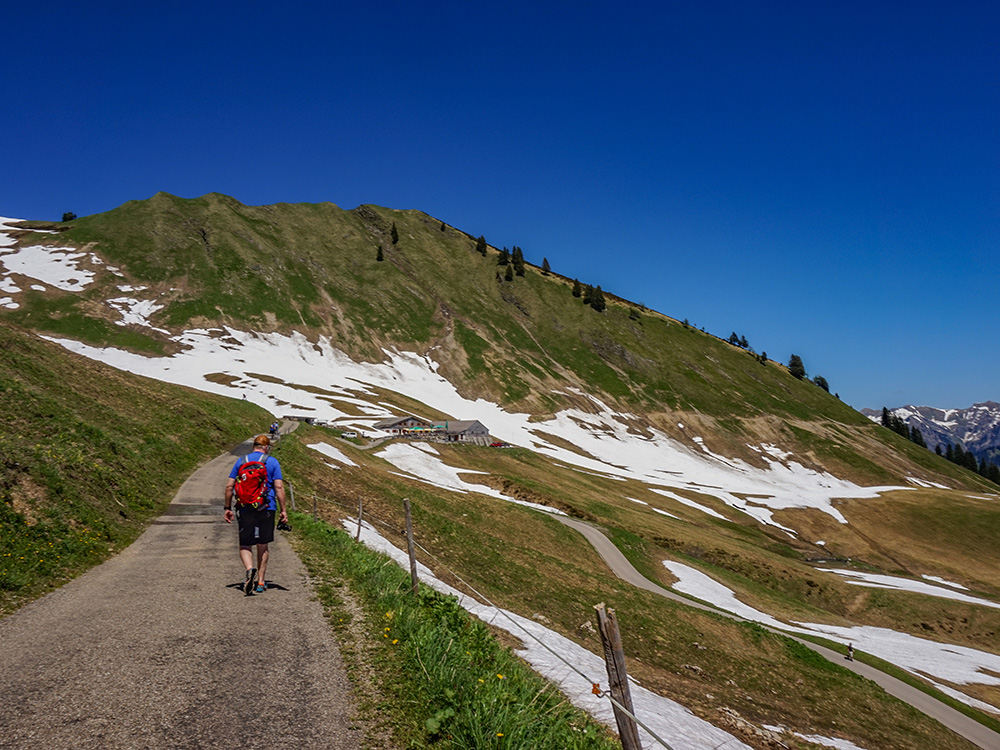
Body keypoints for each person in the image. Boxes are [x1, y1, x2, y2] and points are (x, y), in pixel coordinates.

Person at [223, 434, 289, 595]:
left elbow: (229, 486)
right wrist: (283, 510)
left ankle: (249, 568)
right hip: (266, 507)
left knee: (245, 543)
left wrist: (227, 507)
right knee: (263, 544)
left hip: (244, 507)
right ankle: (260, 581)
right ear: (266, 447)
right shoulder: (272, 462)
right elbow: (279, 487)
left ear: (254, 446)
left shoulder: (241, 461)